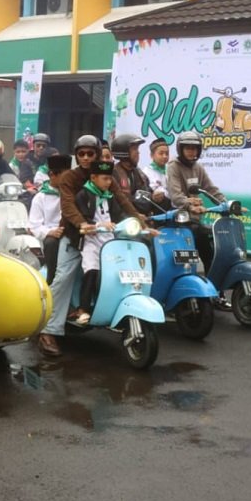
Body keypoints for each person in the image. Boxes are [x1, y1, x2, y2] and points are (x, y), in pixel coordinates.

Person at [40, 135, 147, 357]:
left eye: (91, 153)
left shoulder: (105, 173)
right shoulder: (70, 177)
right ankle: (48, 331)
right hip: (75, 236)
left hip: (100, 237)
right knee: (63, 276)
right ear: (76, 156)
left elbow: (122, 200)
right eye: (82, 154)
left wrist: (142, 220)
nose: (87, 157)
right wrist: (82, 224)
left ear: (97, 154)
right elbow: (67, 205)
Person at [167, 131, 224, 275]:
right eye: (188, 148)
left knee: (211, 252)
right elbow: (175, 195)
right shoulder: (174, 166)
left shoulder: (198, 168)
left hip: (195, 221)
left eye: (195, 149)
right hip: (179, 221)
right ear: (181, 149)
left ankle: (215, 290)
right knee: (188, 261)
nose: (192, 152)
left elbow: (210, 189)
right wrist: (189, 204)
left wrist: (226, 203)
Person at [72, 161, 121, 324]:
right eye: (105, 179)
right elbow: (84, 219)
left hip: (109, 242)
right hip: (90, 241)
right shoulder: (83, 195)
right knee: (92, 271)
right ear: (93, 178)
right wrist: (99, 225)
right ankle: (83, 309)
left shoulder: (109, 196)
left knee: (114, 274)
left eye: (110, 179)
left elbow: (117, 217)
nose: (109, 182)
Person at [29, 154, 70, 285]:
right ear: (52, 175)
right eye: (64, 175)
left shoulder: (71, 193)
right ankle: (51, 280)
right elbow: (35, 226)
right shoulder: (40, 198)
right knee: (51, 243)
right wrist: (50, 231)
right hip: (52, 234)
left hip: (69, 231)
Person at [141, 138, 170, 205]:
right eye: (161, 153)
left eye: (167, 153)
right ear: (152, 155)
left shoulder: (171, 170)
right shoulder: (145, 173)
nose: (164, 156)